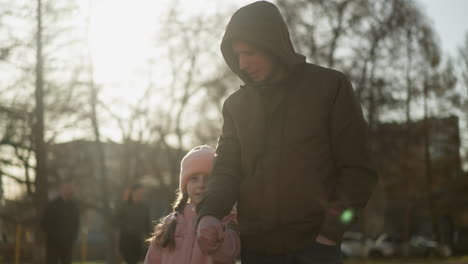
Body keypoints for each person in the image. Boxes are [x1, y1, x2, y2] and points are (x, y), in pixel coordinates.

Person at [196, 1, 378, 264]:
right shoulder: (235, 106)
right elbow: (227, 169)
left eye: (249, 52)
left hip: (316, 249)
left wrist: (329, 234)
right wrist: (210, 214)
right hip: (256, 252)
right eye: (237, 55)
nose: (242, 63)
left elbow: (358, 170)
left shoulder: (330, 88)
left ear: (272, 44)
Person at [144, 145, 240, 264]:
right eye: (194, 179)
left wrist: (213, 231)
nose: (201, 184)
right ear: (185, 185)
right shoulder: (170, 223)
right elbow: (152, 259)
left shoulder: (226, 218)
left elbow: (231, 254)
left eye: (208, 178)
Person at [41, 182, 80, 264]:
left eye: (69, 189)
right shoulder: (52, 205)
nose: (67, 191)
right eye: (65, 189)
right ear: (60, 190)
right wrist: (55, 236)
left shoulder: (74, 206)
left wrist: (73, 237)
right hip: (53, 243)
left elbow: (76, 223)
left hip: (67, 243)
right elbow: (45, 223)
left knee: (66, 261)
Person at [116, 183, 151, 264]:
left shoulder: (144, 208)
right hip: (125, 240)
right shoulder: (124, 206)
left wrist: (152, 236)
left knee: (135, 260)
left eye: (142, 193)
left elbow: (147, 224)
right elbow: (116, 221)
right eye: (139, 192)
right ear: (133, 193)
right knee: (129, 260)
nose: (140, 195)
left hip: (138, 240)